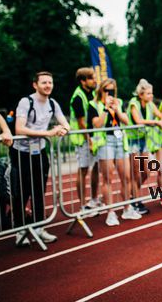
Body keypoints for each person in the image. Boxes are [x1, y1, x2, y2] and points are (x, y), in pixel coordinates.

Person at [10, 71, 70, 246]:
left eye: (50, 82)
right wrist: (48, 133)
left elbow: (65, 122)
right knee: (22, 192)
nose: (48, 85)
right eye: (44, 82)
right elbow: (19, 129)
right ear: (35, 85)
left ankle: (39, 228)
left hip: (40, 152)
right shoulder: (26, 102)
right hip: (21, 152)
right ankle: (20, 231)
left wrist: (63, 129)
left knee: (39, 191)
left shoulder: (52, 102)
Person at [88, 79, 141, 226]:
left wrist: (116, 108)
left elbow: (126, 121)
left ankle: (126, 208)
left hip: (119, 141)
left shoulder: (118, 102)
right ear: (101, 91)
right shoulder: (93, 104)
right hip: (105, 142)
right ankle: (110, 212)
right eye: (106, 90)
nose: (109, 93)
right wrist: (105, 108)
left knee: (126, 176)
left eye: (111, 90)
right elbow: (97, 123)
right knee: (108, 178)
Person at [127, 79, 162, 214]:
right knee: (136, 172)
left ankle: (133, 193)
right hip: (133, 141)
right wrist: (156, 122)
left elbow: (161, 116)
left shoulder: (150, 104)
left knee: (146, 172)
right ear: (141, 94)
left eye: (151, 93)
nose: (151, 96)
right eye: (148, 94)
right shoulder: (134, 104)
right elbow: (138, 120)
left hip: (143, 140)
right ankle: (136, 200)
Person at [69, 67, 100, 214]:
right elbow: (81, 122)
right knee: (83, 170)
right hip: (83, 139)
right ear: (83, 81)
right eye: (91, 78)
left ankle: (94, 200)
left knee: (96, 168)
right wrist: (89, 139)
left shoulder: (92, 94)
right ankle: (82, 205)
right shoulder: (78, 97)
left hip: (93, 137)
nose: (95, 80)